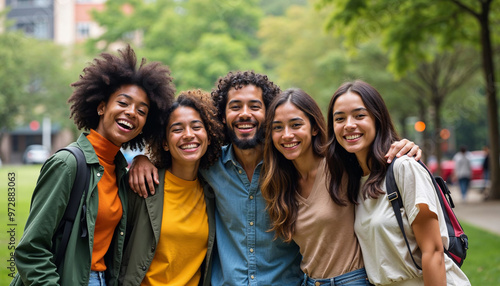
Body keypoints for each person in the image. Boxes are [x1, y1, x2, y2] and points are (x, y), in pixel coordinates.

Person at [128, 71, 420, 285]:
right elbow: (182, 151)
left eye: (255, 106)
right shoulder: (210, 165)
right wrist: (142, 160)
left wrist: (402, 146)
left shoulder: (291, 164)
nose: (245, 114)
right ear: (223, 115)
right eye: (235, 107)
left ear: (269, 114)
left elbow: (364, 153)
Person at [11, 45, 175, 286]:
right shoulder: (68, 164)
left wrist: (143, 158)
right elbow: (31, 250)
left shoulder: (119, 170)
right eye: (123, 103)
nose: (131, 113)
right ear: (101, 107)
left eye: (142, 111)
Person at [261, 88, 422, 286]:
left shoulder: (342, 164)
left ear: (314, 128)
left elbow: (373, 149)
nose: (287, 135)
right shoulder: (280, 182)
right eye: (277, 128)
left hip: (355, 280)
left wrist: (405, 146)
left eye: (296, 125)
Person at [327, 80, 470, 285]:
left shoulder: (404, 167)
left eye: (359, 115)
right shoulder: (354, 181)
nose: (349, 125)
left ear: (377, 119)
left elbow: (434, 253)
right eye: (339, 118)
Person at [119, 90, 223, 286]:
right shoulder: (143, 185)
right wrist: (140, 159)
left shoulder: (214, 192)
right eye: (177, 129)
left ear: (208, 137)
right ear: (165, 143)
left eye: (196, 127)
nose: (188, 135)